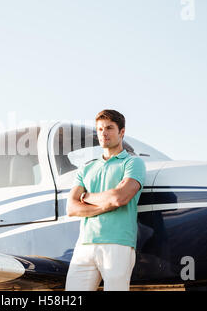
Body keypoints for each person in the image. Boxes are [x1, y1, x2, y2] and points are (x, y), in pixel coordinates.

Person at [65, 109, 146, 291]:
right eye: (100, 129)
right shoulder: (86, 169)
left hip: (118, 243)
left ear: (121, 132)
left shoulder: (133, 163)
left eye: (109, 128)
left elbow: (119, 198)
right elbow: (71, 207)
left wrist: (86, 197)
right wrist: (105, 205)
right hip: (84, 245)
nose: (104, 133)